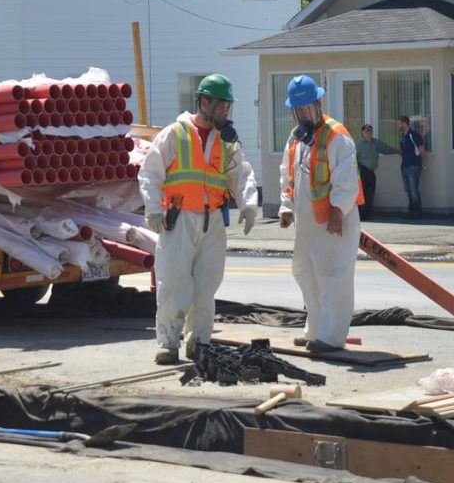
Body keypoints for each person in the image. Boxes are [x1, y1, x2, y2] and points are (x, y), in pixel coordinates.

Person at [139, 74, 258, 365]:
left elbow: (241, 174)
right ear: (204, 102)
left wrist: (248, 205)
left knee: (207, 285)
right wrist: (153, 209)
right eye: (221, 106)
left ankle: (200, 342)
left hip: (213, 220)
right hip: (179, 219)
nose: (225, 112)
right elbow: (150, 172)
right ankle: (168, 342)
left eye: (227, 106)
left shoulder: (226, 141)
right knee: (174, 282)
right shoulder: (175, 134)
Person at [278, 75, 364, 354]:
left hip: (333, 223)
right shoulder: (296, 140)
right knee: (305, 273)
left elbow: (346, 180)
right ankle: (315, 329)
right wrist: (286, 207)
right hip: (307, 224)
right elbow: (288, 177)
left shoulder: (337, 137)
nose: (302, 115)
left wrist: (338, 211)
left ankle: (331, 337)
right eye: (297, 110)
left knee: (332, 277)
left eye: (306, 108)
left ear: (318, 104)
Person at [354, 123, 397, 220]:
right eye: (366, 131)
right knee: (362, 194)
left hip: (371, 172)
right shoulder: (359, 144)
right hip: (362, 172)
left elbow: (386, 149)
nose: (369, 133)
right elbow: (353, 159)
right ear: (362, 132)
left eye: (370, 131)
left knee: (370, 193)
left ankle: (366, 213)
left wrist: (398, 152)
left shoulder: (375, 142)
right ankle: (361, 215)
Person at [397, 115, 426, 219]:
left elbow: (422, 150)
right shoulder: (402, 137)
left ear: (405, 123)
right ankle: (411, 212)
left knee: (414, 191)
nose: (398, 126)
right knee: (408, 191)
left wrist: (419, 163)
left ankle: (417, 213)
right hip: (404, 166)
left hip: (413, 166)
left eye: (399, 123)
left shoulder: (413, 135)